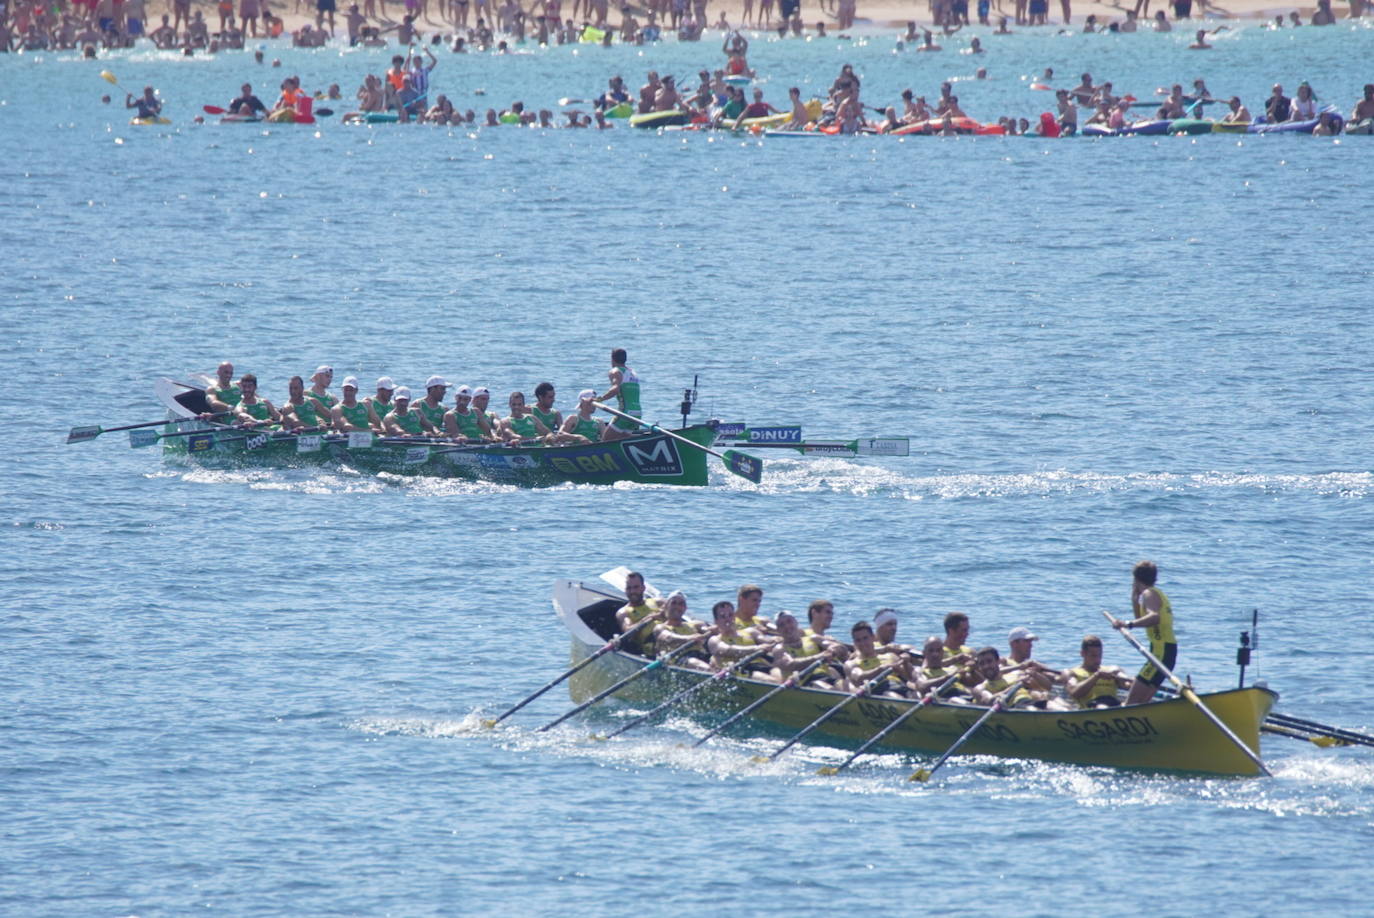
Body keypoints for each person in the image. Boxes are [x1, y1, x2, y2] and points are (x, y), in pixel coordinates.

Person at [1110, 560, 1176, 705]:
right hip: (1166, 651)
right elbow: (1142, 620)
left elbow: (1154, 618)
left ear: (1136, 579)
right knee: (1141, 703)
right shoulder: (1154, 594)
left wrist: (1127, 624)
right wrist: (1134, 600)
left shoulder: (1148, 593)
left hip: (1161, 652)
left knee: (1130, 702)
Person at [706, 599, 776, 678]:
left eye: (730, 615)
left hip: (762, 665)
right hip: (742, 669)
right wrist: (756, 648)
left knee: (780, 673)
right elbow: (729, 650)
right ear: (716, 621)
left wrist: (779, 639)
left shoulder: (751, 632)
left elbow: (768, 641)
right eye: (723, 616)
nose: (727, 619)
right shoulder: (714, 640)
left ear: (734, 617)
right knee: (769, 679)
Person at [771, 611, 839, 688]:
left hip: (826, 677)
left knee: (844, 685)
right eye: (781, 625)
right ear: (778, 630)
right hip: (804, 682)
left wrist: (833, 649)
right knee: (826, 687)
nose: (787, 626)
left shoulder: (813, 639)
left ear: (796, 622)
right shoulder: (779, 649)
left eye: (789, 621)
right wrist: (820, 656)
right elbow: (791, 665)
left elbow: (838, 647)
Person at [844, 621, 911, 697]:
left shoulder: (890, 656)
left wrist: (906, 663)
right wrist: (881, 669)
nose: (862, 643)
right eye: (858, 640)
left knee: (915, 694)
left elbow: (910, 678)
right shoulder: (852, 663)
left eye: (865, 638)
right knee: (892, 695)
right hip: (879, 690)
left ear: (873, 638)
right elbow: (859, 678)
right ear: (854, 643)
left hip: (900, 686)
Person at [1065, 635, 1133, 708]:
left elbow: (1128, 685)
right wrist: (1096, 676)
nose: (1098, 660)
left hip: (1114, 703)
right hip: (1093, 706)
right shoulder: (1072, 673)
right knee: (1102, 706)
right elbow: (1074, 693)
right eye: (1093, 656)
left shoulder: (1112, 669)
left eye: (1100, 655)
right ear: (1082, 654)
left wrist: (1135, 680)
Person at [651, 590, 712, 670]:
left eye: (681, 604)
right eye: (673, 603)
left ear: (685, 608)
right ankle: (714, 674)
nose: (677, 606)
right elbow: (667, 637)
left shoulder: (695, 624)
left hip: (700, 655)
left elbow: (707, 628)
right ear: (666, 606)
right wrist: (689, 638)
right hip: (678, 660)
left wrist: (715, 629)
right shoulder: (660, 627)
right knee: (693, 662)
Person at [597, 348, 642, 439]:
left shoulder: (615, 371)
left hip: (625, 413)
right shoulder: (632, 372)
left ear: (612, 359)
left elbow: (615, 389)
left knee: (606, 439)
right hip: (637, 413)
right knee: (622, 439)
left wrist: (600, 399)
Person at [615, 571, 662, 654]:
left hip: (672, 635)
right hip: (652, 646)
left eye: (636, 587)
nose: (632, 591)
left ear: (643, 588)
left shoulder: (658, 602)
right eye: (629, 588)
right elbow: (628, 632)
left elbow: (677, 607)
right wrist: (648, 618)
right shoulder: (624, 612)